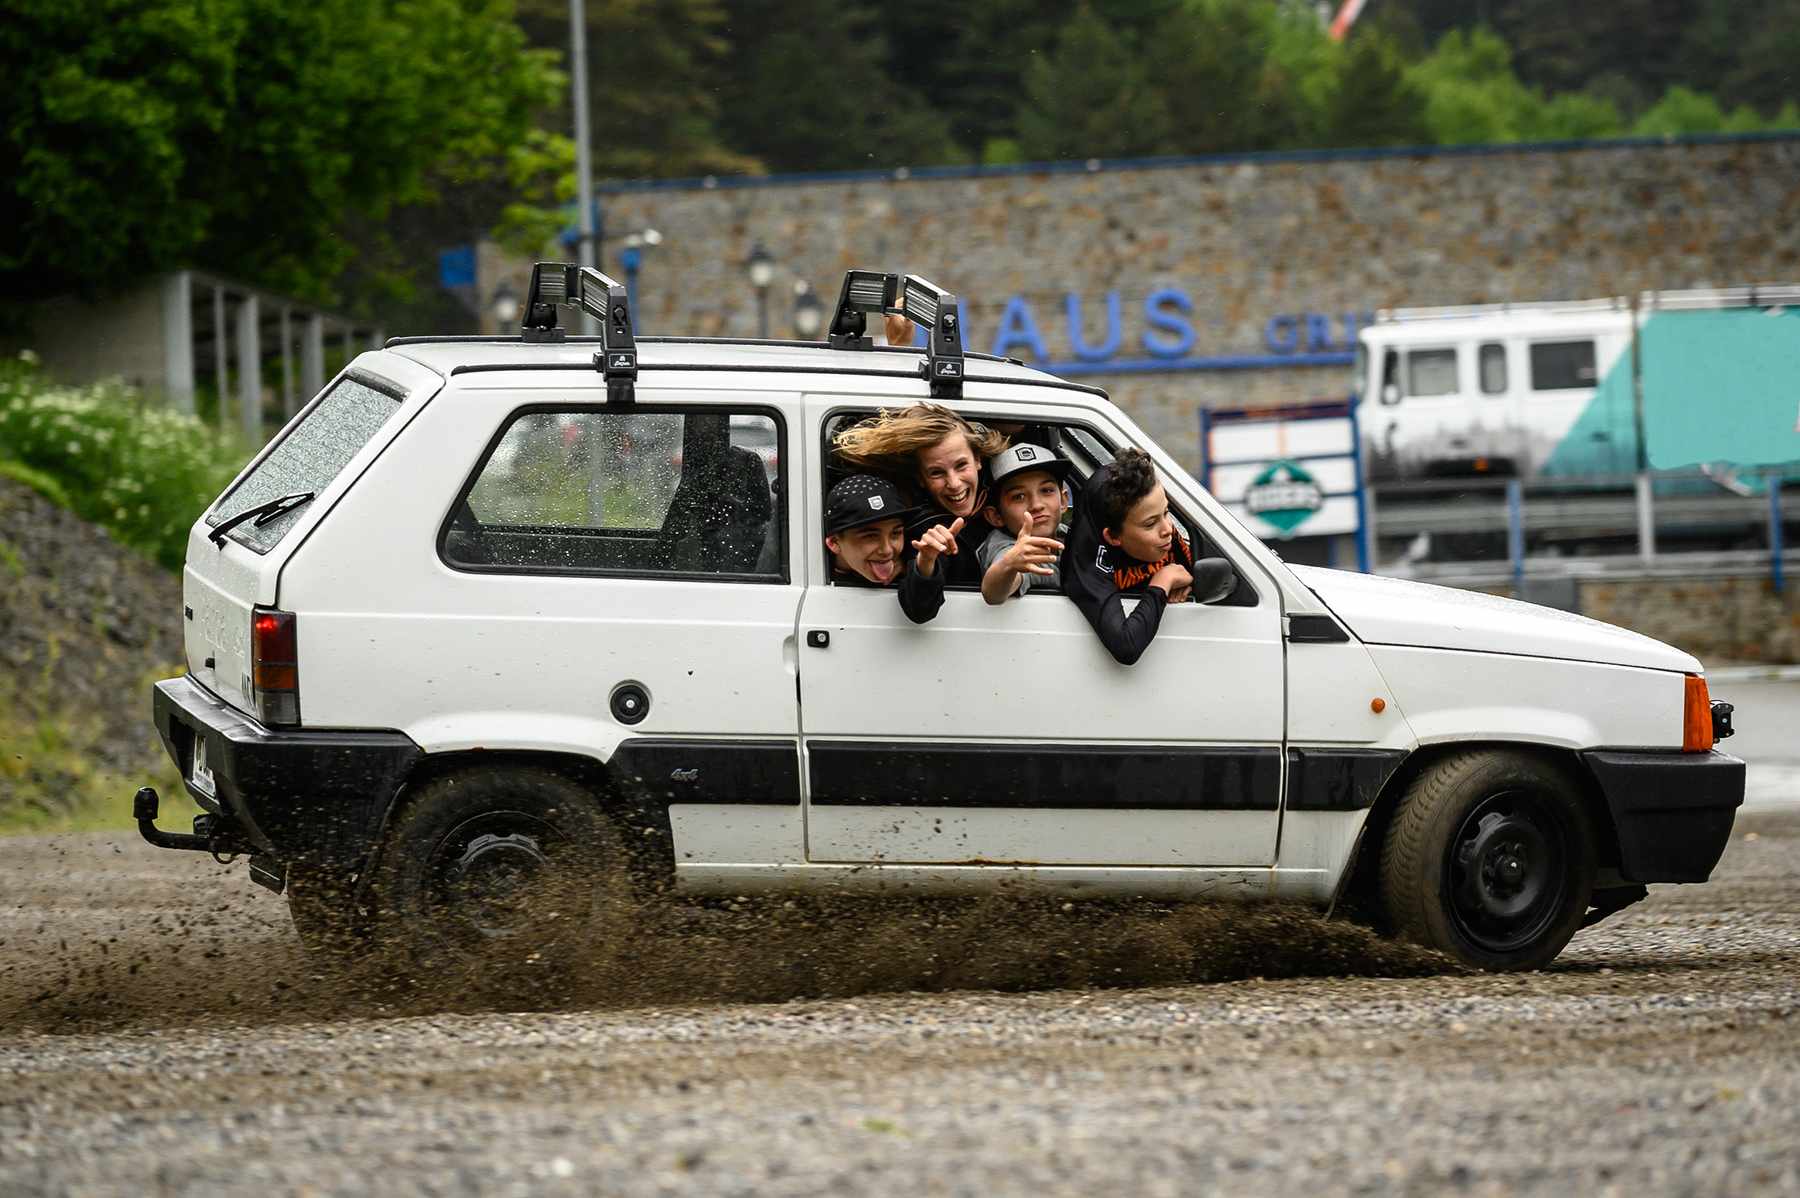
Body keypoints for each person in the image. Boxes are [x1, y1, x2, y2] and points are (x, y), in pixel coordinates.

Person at [832, 403, 1007, 585]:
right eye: (936, 473)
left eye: (961, 465)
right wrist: (919, 565)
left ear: (978, 459)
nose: (954, 484)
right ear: (921, 478)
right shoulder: (917, 530)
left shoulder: (1006, 489)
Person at [1060, 448, 1194, 664]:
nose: (1168, 528)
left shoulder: (1165, 535)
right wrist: (1163, 582)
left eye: (1167, 512)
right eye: (1150, 524)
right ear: (1113, 537)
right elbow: (1126, 645)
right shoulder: (1088, 567)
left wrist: (1192, 580)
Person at [824, 474, 959, 624]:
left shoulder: (915, 550)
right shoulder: (812, 571)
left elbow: (921, 611)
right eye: (870, 536)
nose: (887, 549)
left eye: (896, 533)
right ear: (834, 542)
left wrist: (925, 562)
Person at [977, 442, 1069, 604]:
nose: (1037, 505)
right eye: (1018, 496)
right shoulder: (1007, 547)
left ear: (1063, 501)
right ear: (995, 516)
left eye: (1046, 490)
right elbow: (993, 593)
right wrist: (1009, 565)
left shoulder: (1065, 532)